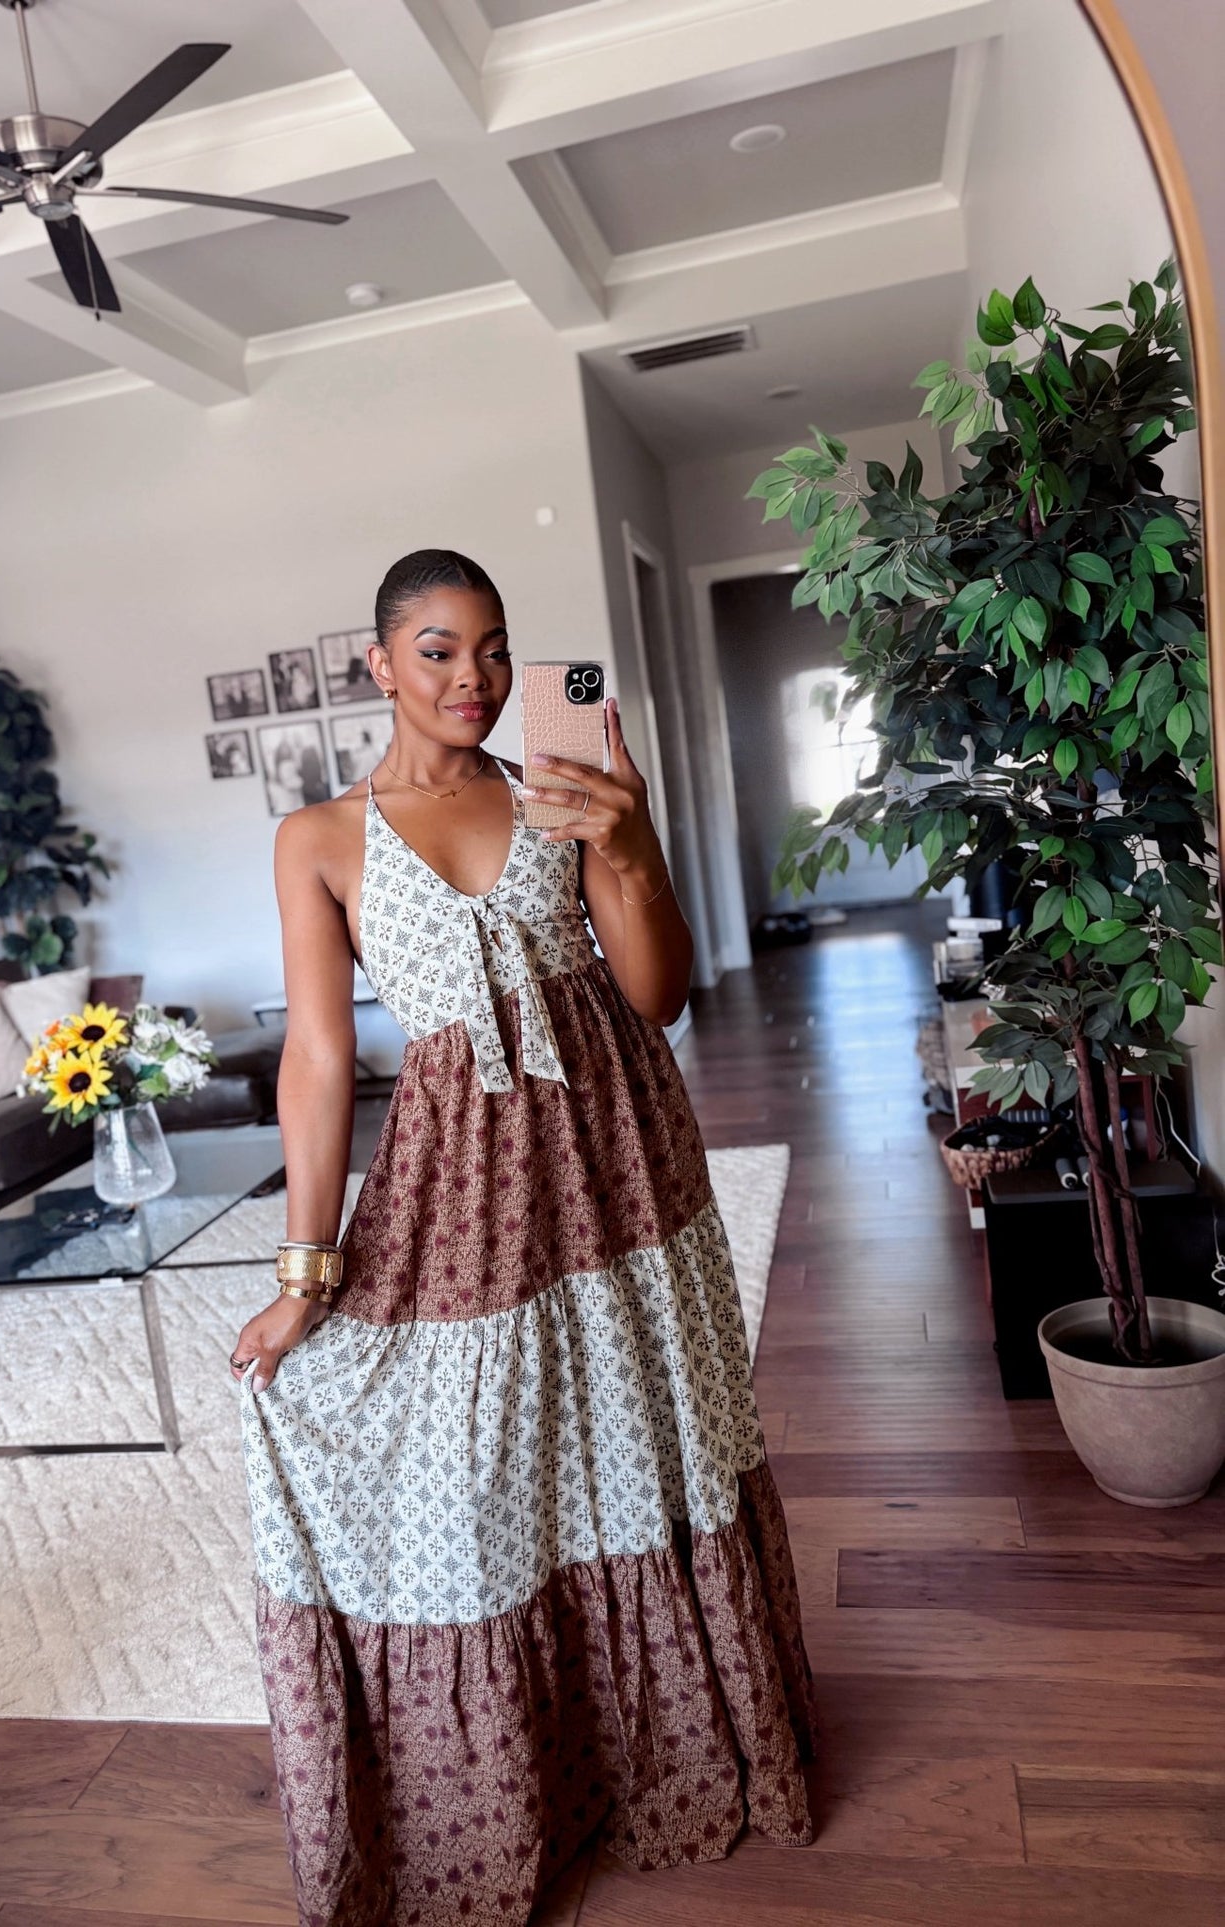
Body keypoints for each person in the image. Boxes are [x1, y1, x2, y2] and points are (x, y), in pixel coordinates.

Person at [230, 549, 816, 1927]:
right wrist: (304, 1272)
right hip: (460, 1182)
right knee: (474, 1465)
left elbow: (657, 995)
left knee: (640, 1436)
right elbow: (317, 1060)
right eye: (436, 651)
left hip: (621, 1164)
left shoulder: (564, 790)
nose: (473, 679)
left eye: (492, 650)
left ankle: (667, 1749)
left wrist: (624, 842)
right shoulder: (317, 840)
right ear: (376, 664)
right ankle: (510, 1783)